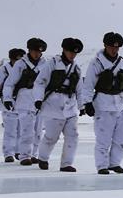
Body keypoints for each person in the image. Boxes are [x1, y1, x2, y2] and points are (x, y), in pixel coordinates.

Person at [33, 37, 85, 172]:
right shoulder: (52, 64)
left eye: (75, 53)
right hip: (52, 106)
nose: (72, 55)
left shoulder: (77, 69)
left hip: (70, 107)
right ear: (64, 50)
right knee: (51, 137)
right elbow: (40, 82)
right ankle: (43, 158)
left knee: (73, 136)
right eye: (70, 51)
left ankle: (66, 163)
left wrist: (82, 106)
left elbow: (80, 90)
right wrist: (38, 99)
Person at [83, 32, 123, 174]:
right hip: (102, 104)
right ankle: (102, 165)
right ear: (105, 46)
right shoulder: (96, 63)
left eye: (117, 47)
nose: (114, 50)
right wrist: (87, 103)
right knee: (103, 139)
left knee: (121, 138)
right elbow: (88, 85)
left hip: (121, 104)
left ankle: (114, 163)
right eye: (111, 47)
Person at [2, 38, 48, 165]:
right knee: (27, 130)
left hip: (40, 100)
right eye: (34, 51)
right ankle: (24, 156)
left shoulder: (45, 64)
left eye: (39, 52)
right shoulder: (21, 64)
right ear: (29, 50)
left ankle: (34, 154)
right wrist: (7, 98)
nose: (37, 54)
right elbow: (9, 84)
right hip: (24, 99)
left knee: (38, 131)